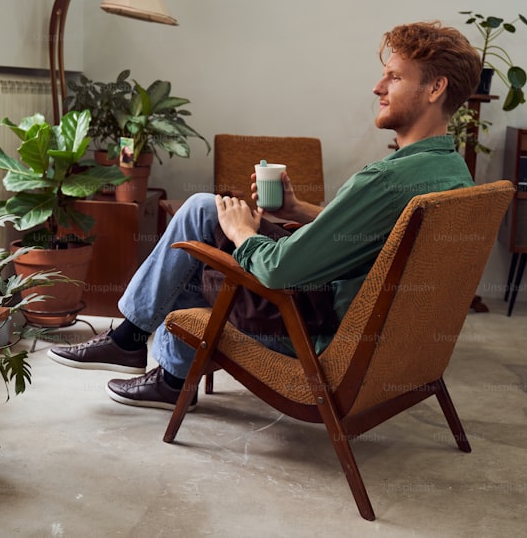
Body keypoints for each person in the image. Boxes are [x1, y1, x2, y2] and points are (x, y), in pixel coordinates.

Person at [48, 21, 482, 410]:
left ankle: (142, 350)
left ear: (435, 88)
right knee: (198, 233)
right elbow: (375, 237)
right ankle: (153, 361)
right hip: (373, 329)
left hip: (313, 329)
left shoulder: (386, 179)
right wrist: (297, 211)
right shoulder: (449, 171)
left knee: (197, 245)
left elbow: (280, 271)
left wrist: (241, 233)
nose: (377, 87)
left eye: (394, 76)